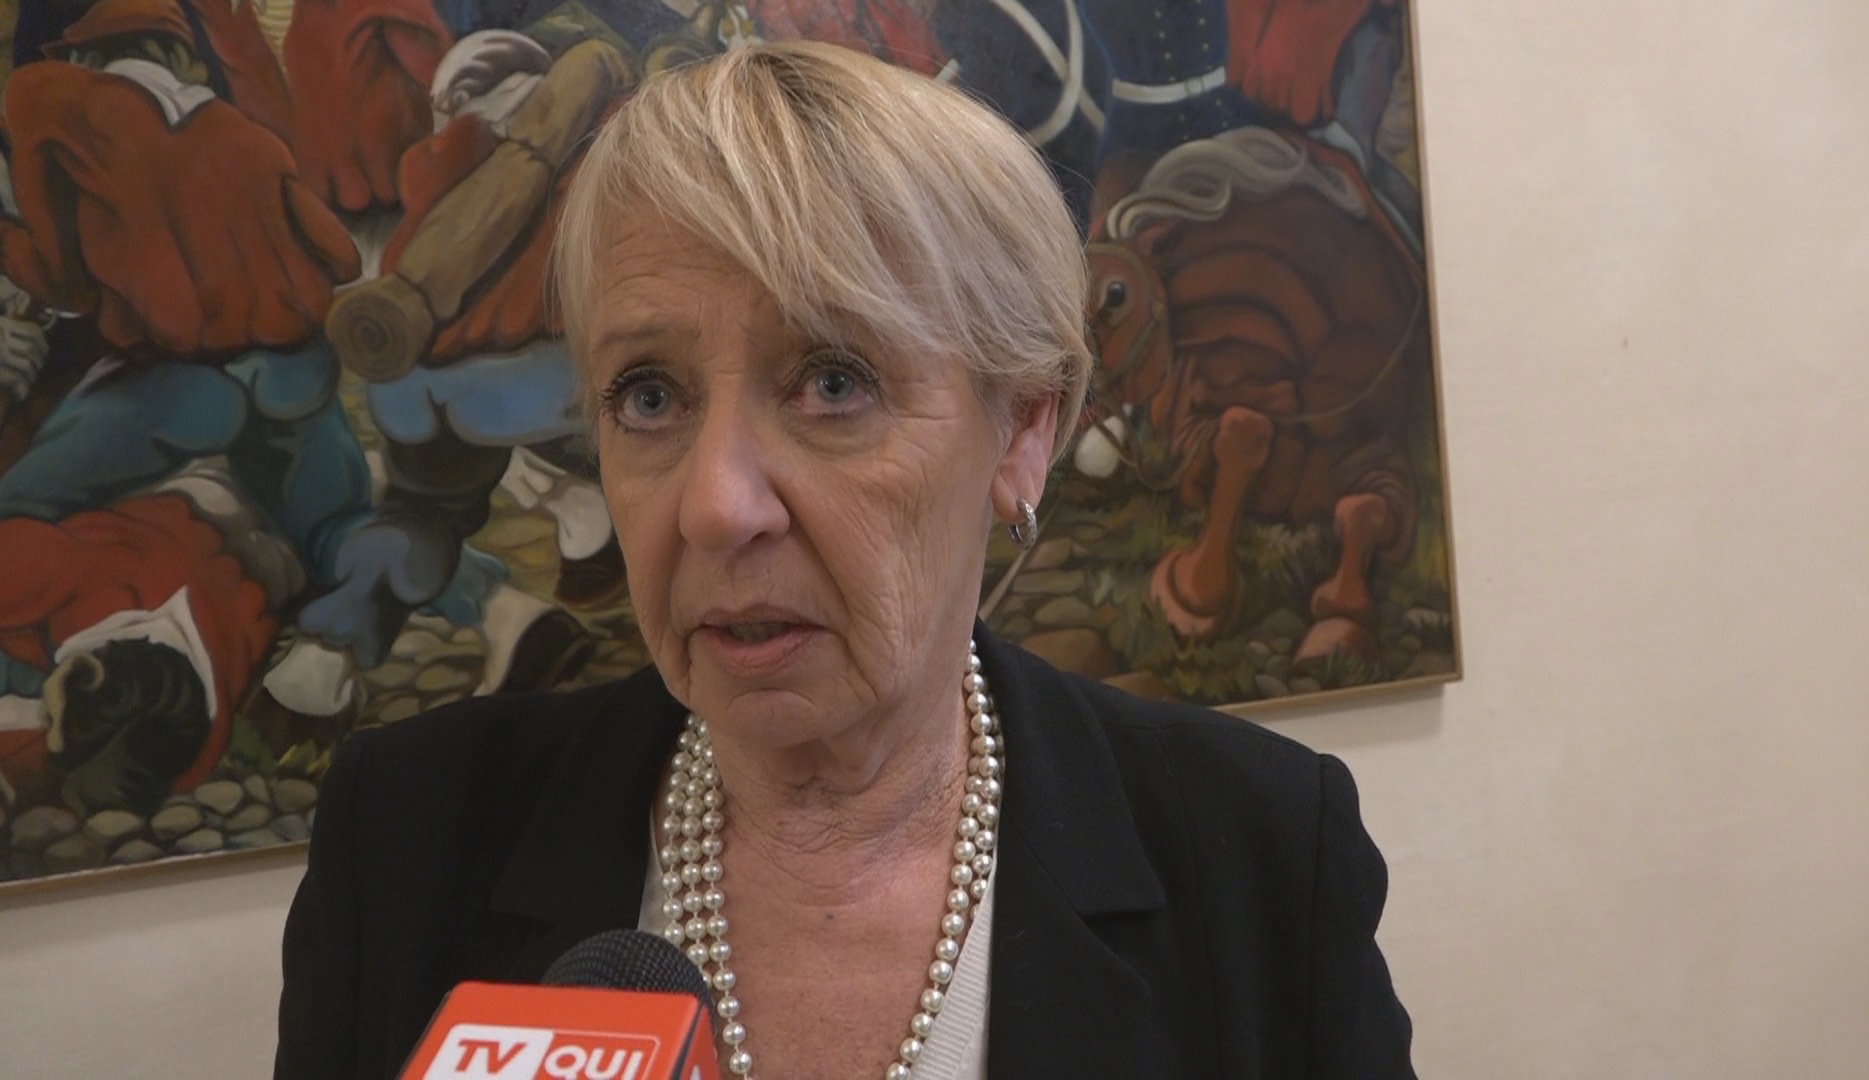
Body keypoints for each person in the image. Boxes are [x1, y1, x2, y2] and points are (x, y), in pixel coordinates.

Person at [277, 40, 1414, 1079]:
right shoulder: (408, 840)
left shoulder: (1258, 853)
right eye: (650, 396)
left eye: (833, 382)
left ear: (1024, 427)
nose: (717, 507)